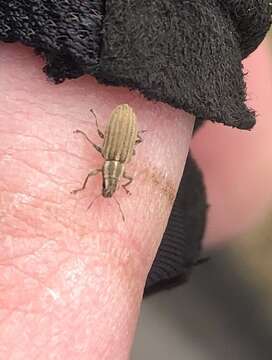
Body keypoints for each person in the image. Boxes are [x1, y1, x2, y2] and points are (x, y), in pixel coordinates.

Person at [0, 2, 271, 359]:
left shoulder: (114, 164)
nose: (108, 186)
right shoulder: (113, 163)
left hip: (120, 129)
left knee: (243, 190)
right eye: (109, 185)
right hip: (121, 132)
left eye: (108, 185)